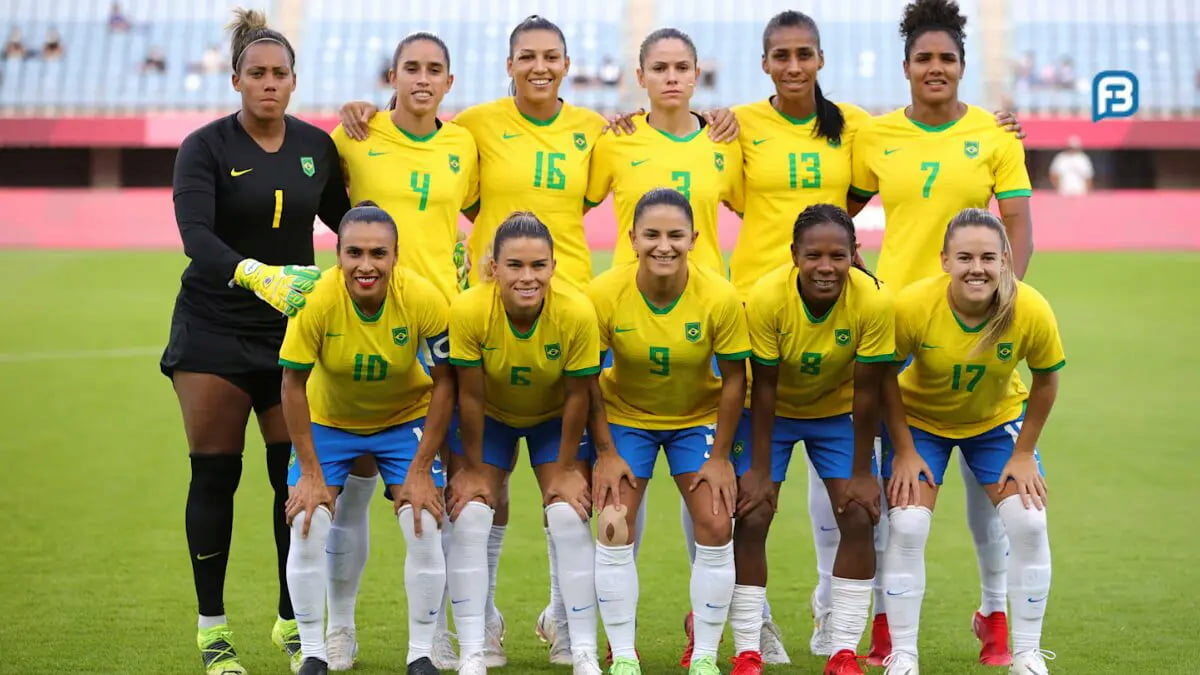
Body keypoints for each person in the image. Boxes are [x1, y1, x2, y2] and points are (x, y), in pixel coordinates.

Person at [336, 16, 738, 665]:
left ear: (568, 62)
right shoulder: (475, 128)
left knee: (569, 475)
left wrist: (715, 120)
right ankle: (484, 617)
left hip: (574, 308)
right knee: (480, 476)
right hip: (492, 310)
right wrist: (370, 111)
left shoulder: (597, 132)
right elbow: (431, 159)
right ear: (509, 63)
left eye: (552, 56)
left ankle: (561, 610)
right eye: (528, 56)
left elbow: (653, 160)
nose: (540, 66)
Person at [160, 9, 349, 674]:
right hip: (214, 326)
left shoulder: (316, 147)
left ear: (294, 82)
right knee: (216, 473)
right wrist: (254, 274)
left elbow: (350, 220)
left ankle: (291, 620)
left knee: (290, 479)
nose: (269, 84)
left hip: (288, 335)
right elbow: (197, 237)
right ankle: (213, 630)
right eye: (257, 73)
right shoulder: (205, 147)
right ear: (237, 80)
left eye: (280, 74)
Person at [849, 0, 1034, 663]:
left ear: (962, 66)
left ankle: (996, 613)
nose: (935, 68)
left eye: (946, 59)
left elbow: (1017, 225)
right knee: (892, 492)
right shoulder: (874, 136)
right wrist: (868, 287)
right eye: (923, 58)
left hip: (977, 326)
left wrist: (1004, 300)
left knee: (992, 495)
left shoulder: (994, 135)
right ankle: (880, 619)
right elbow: (835, 224)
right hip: (895, 338)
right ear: (906, 67)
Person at [319, 31, 480, 671]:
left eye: (433, 69)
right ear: (392, 74)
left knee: (433, 495)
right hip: (368, 326)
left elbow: (480, 211)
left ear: (449, 81)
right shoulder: (354, 136)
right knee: (354, 490)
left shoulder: (463, 143)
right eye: (410, 67)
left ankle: (434, 631)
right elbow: (332, 210)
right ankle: (339, 628)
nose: (421, 77)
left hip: (442, 333)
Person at [880, 209, 1064, 675]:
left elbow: (1046, 380)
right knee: (906, 525)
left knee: (1030, 524)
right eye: (964, 257)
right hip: (921, 424)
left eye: (987, 257)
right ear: (944, 260)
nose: (975, 268)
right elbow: (883, 378)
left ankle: (1025, 654)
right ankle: (903, 654)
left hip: (993, 424)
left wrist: (1023, 453)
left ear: (1005, 260)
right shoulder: (914, 306)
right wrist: (902, 449)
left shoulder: (1030, 308)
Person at [279, 202, 454, 675]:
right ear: (337, 254)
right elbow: (292, 384)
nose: (366, 265)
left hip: (403, 420)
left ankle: (422, 652)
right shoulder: (316, 301)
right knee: (308, 522)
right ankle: (319, 647)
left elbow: (446, 382)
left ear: (396, 256)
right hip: (331, 421)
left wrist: (420, 469)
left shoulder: (422, 298)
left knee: (422, 521)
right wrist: (311, 474)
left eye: (379, 253)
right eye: (354, 253)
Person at [588, 188, 749, 675]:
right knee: (613, 523)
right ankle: (623, 655)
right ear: (632, 238)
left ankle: (703, 655)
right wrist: (605, 452)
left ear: (694, 239)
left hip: (694, 421)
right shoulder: (604, 294)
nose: (664, 245)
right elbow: (587, 377)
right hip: (626, 419)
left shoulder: (718, 296)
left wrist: (720, 456)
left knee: (718, 522)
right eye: (652, 235)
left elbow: (736, 377)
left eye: (676, 235)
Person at [729, 204, 895, 675]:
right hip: (771, 413)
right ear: (794, 255)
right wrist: (759, 470)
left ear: (854, 255)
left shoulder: (874, 301)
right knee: (754, 512)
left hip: (836, 412)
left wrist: (864, 474)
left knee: (860, 514)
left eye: (838, 256)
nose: (826, 267)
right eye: (814, 255)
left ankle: (842, 649)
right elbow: (762, 385)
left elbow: (868, 393)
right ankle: (747, 649)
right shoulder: (766, 297)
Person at [446, 212, 603, 675]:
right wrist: (473, 467)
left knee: (567, 514)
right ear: (493, 267)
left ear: (554, 266)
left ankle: (575, 639)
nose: (527, 276)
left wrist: (572, 467)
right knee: (473, 514)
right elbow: (469, 395)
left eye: (538, 265)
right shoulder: (470, 311)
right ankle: (477, 641)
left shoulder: (576, 312)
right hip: (491, 417)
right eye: (514, 265)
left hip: (554, 420)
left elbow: (579, 395)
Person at [585, 28, 744, 275]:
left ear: (696, 74)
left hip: (705, 298)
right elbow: (572, 209)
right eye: (659, 69)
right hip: (631, 296)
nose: (672, 78)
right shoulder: (616, 140)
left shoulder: (723, 141)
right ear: (641, 77)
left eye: (682, 68)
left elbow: (756, 214)